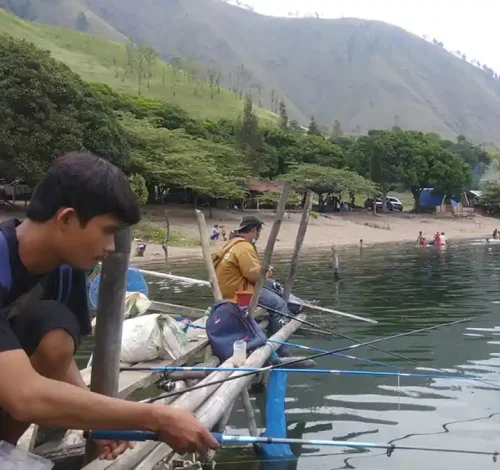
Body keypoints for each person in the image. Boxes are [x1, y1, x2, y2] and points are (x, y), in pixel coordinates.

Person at [0, 153, 218, 459]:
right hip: (15, 392)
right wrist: (157, 417)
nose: (111, 247)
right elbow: (23, 396)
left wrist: (96, 423)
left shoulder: (65, 271)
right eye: (108, 231)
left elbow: (57, 356)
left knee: (52, 322)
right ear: (66, 219)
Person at [212, 215, 297, 358]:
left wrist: (265, 274)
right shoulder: (244, 247)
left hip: (230, 288)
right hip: (239, 293)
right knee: (279, 305)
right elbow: (254, 275)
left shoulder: (232, 243)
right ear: (254, 231)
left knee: (273, 285)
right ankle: (281, 349)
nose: (258, 235)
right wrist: (267, 271)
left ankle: (295, 305)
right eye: (259, 232)